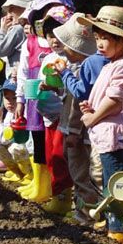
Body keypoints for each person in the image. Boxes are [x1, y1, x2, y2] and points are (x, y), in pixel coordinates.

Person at [74, 6, 123, 244]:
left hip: (116, 136)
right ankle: (111, 222)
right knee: (111, 181)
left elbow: (116, 99)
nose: (100, 43)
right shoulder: (112, 64)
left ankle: (120, 231)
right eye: (97, 37)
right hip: (108, 136)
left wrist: (93, 118)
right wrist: (91, 108)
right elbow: (106, 98)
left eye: (106, 38)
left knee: (117, 184)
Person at [15, 0, 75, 203]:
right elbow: (23, 71)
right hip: (39, 101)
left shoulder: (70, 50)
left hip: (63, 109)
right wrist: (20, 98)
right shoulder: (32, 42)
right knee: (42, 143)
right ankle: (44, 185)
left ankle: (60, 194)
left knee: (61, 152)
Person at [52, 13, 101, 224]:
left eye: (67, 45)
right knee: (83, 170)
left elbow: (78, 104)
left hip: (78, 131)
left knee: (81, 171)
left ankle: (86, 214)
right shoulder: (89, 66)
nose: (63, 48)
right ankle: (87, 209)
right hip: (79, 129)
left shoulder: (83, 70)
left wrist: (72, 133)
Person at [0, 0, 35, 172]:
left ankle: (15, 160)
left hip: (15, 80)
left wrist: (1, 31)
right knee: (17, 116)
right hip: (20, 77)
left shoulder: (18, 29)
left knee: (15, 117)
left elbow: (2, 49)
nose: (10, 12)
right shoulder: (28, 29)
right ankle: (15, 159)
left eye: (14, 7)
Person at [34, 6, 74, 215]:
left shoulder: (70, 59)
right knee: (51, 156)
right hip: (48, 115)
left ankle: (63, 199)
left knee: (60, 155)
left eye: (58, 34)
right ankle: (57, 193)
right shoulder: (48, 58)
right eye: (50, 35)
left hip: (64, 115)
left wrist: (53, 87)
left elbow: (71, 87)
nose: (54, 40)